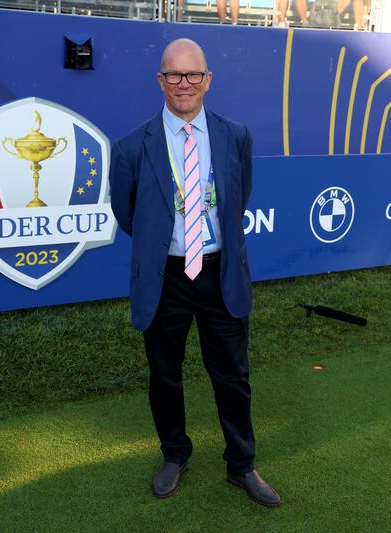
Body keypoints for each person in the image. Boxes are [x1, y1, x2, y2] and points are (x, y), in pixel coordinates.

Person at [108, 38, 281, 508]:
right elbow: (129, 215)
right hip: (164, 277)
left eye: (192, 75)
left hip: (219, 273)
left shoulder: (236, 136)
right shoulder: (130, 148)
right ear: (159, 80)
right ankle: (175, 454)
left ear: (207, 80)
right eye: (173, 75)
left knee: (233, 376)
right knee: (165, 374)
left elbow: (237, 197)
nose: (183, 84)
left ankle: (241, 466)